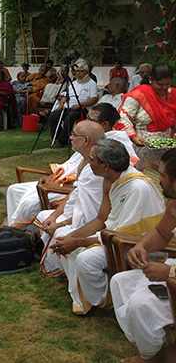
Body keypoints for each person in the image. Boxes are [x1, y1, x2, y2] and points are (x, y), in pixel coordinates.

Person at [68, 139, 164, 315]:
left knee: (86, 259)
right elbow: (103, 219)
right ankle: (100, 298)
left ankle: (106, 303)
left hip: (141, 246)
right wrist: (73, 238)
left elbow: (126, 233)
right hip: (114, 237)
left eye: (91, 160)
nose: (88, 164)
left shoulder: (137, 187)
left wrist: (81, 242)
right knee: (72, 245)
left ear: (105, 166)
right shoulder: (111, 179)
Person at [7, 105, 137, 230]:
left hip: (73, 195)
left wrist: (61, 188)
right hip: (68, 186)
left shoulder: (107, 151)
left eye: (91, 119)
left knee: (31, 206)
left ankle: (22, 237)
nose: (70, 137)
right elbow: (70, 165)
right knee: (14, 190)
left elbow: (91, 199)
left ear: (104, 125)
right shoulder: (90, 143)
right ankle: (14, 233)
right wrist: (53, 176)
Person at [110, 149, 176, 363]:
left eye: (163, 176)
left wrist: (169, 272)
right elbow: (162, 233)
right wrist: (142, 247)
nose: (160, 180)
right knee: (119, 282)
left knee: (140, 304)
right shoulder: (174, 203)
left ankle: (150, 355)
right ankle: (154, 349)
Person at [35, 121, 106, 276]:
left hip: (89, 223)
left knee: (60, 232)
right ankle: (61, 269)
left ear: (86, 140)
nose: (71, 137)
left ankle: (75, 282)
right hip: (76, 216)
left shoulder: (97, 170)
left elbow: (92, 213)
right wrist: (54, 215)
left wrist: (60, 223)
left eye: (74, 134)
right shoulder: (85, 161)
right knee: (44, 216)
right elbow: (74, 194)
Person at [118, 63, 176, 167]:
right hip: (144, 146)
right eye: (160, 84)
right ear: (150, 80)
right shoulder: (139, 94)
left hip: (170, 149)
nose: (164, 88)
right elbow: (123, 117)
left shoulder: (173, 94)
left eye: (168, 84)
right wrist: (133, 137)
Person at [48, 59, 99, 147]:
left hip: (82, 108)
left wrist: (79, 105)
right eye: (77, 71)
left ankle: (62, 141)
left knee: (70, 117)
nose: (78, 73)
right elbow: (67, 95)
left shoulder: (91, 83)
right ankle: (57, 137)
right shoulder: (74, 83)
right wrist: (62, 102)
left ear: (86, 71)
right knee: (53, 115)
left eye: (81, 71)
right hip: (69, 106)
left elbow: (94, 99)